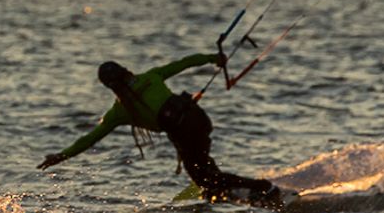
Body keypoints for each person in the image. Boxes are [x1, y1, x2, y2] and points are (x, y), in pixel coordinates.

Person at [36, 53, 279, 203]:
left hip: (186, 133)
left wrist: (61, 156)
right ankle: (223, 192)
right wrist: (213, 58)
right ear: (125, 71)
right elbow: (184, 63)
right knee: (202, 165)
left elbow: (89, 139)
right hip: (200, 120)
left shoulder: (120, 112)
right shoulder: (150, 77)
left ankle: (262, 187)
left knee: (204, 177)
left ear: (108, 86)